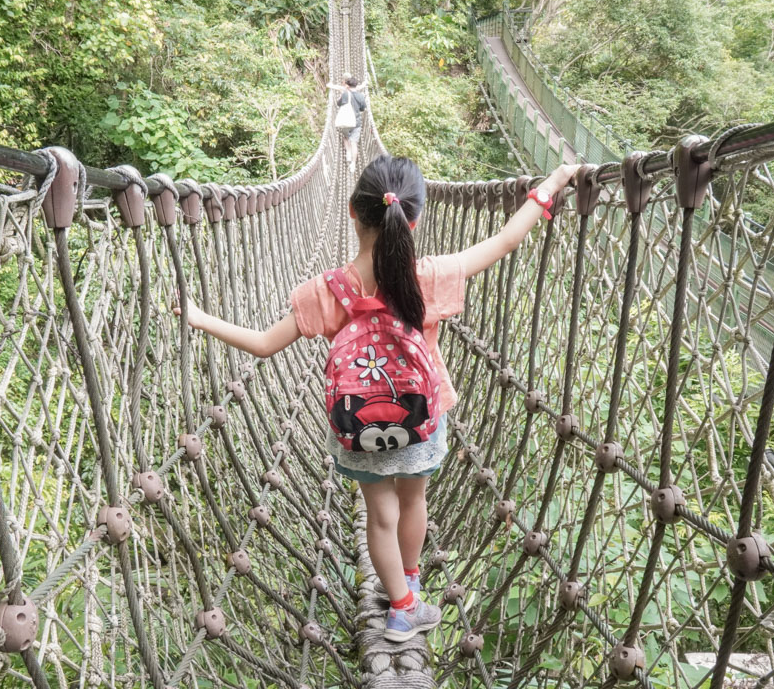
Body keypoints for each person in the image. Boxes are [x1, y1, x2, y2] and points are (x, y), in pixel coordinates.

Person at [174, 155, 578, 642]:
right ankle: (408, 585)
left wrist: (199, 317)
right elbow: (508, 239)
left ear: (351, 210)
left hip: (358, 426)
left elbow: (263, 344)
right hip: (422, 418)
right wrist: (550, 182)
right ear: (415, 218)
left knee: (379, 516)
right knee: (414, 501)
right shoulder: (427, 276)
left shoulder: (326, 290)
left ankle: (402, 606)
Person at [327, 73, 367, 170]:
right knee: (354, 142)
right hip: (356, 123)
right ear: (356, 85)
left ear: (347, 85)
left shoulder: (345, 93)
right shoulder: (361, 96)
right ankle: (353, 164)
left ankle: (348, 153)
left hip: (346, 121)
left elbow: (338, 103)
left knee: (346, 137)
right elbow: (363, 109)